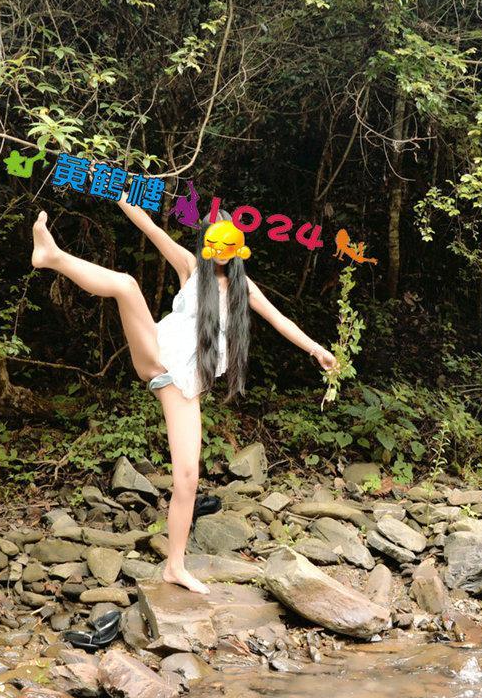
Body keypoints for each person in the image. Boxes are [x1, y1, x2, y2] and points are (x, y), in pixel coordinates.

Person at [30, 198, 338, 593]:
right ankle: (52, 256)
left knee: (188, 479)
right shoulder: (191, 268)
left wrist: (316, 349)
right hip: (157, 356)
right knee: (126, 284)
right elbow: (150, 229)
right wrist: (123, 192)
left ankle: (175, 565)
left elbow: (280, 319)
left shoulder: (243, 287)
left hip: (184, 388)